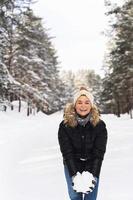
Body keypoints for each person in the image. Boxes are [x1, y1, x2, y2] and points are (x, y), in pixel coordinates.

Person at [58, 87, 108, 200]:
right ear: (74, 105)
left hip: (92, 163)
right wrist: (74, 175)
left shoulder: (100, 126)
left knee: (91, 197)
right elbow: (67, 152)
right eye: (79, 102)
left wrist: (93, 175)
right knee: (75, 196)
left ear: (91, 105)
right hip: (72, 163)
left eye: (87, 102)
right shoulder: (65, 126)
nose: (83, 106)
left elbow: (99, 153)